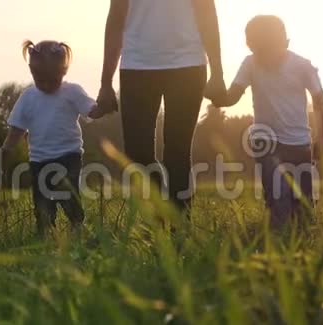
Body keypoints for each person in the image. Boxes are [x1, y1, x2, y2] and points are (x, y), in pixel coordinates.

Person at [96, 0, 227, 214]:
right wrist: (105, 83)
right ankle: (159, 213)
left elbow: (207, 15)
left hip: (188, 65)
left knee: (178, 150)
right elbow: (115, 22)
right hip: (136, 66)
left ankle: (179, 223)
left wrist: (217, 73)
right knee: (137, 153)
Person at [212, 15, 323, 229]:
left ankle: (300, 242)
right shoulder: (250, 64)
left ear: (285, 43)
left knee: (302, 205)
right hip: (267, 143)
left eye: (270, 49)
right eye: (259, 51)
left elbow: (319, 100)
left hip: (300, 144)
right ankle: (276, 241)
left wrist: (321, 138)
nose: (265, 58)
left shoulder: (302, 66)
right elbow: (232, 96)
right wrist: (215, 95)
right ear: (251, 48)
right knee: (278, 197)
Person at [1, 40, 107, 237]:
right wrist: (6, 149)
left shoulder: (72, 92)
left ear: (63, 72)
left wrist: (103, 107)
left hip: (70, 156)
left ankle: (77, 227)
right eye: (42, 80)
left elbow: (91, 110)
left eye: (54, 79)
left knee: (68, 194)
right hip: (38, 160)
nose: (48, 85)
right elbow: (16, 128)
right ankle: (45, 232)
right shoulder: (28, 97)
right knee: (42, 201)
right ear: (33, 73)